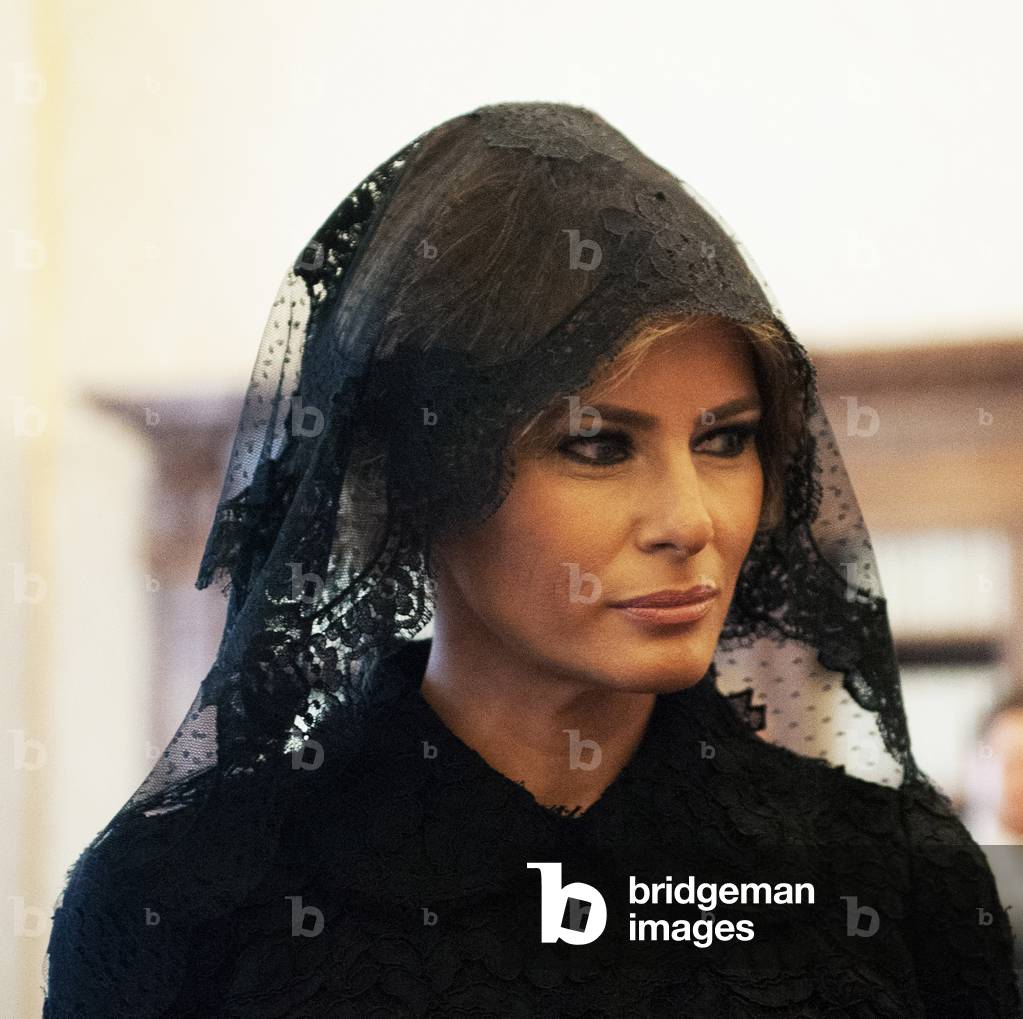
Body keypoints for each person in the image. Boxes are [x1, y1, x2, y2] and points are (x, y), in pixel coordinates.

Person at [43, 102, 1020, 1017]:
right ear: (419, 474)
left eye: (725, 439)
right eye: (597, 445)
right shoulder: (185, 899)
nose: (691, 519)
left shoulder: (897, 884)